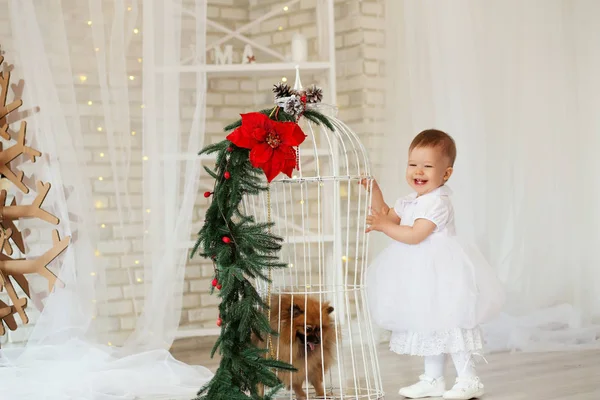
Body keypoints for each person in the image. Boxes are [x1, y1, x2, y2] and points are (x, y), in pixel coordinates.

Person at [362, 129, 504, 399]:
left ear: (446, 174)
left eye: (428, 166)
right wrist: (375, 192)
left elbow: (415, 234)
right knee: (426, 321)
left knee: (451, 321)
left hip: (443, 273)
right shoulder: (409, 200)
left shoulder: (438, 202)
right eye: (413, 164)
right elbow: (387, 217)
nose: (418, 171)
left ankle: (468, 378)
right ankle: (433, 378)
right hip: (420, 275)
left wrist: (382, 227)